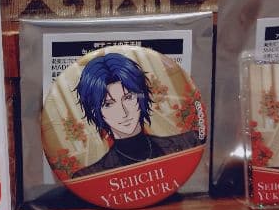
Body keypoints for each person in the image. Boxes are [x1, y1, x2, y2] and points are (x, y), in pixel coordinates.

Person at [71, 53, 200, 178]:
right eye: (108, 104)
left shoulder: (189, 142)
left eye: (128, 97)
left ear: (141, 96)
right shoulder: (89, 176)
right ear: (95, 112)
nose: (123, 112)